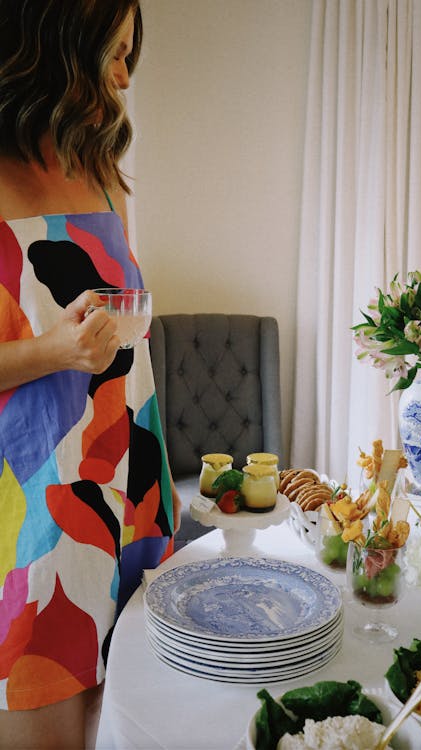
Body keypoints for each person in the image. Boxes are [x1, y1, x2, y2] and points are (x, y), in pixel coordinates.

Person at [0, 1, 181, 747]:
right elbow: (58, 341)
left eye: (128, 58)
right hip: (41, 491)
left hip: (136, 471)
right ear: (54, 45)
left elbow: (127, 312)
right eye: (113, 53)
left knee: (134, 712)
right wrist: (55, 351)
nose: (122, 77)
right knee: (47, 711)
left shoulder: (104, 172)